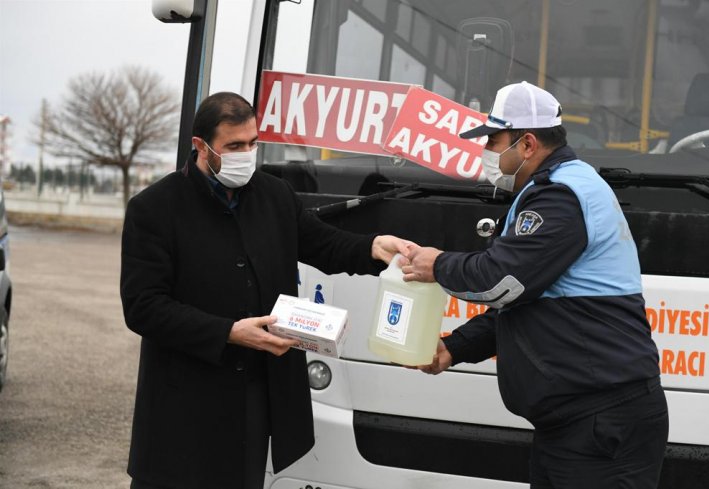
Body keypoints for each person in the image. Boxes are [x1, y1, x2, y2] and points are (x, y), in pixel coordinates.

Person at [120, 92, 410, 489]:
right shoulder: (154, 209)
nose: (247, 154)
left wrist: (374, 248)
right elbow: (143, 307)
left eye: (253, 143)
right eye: (234, 146)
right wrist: (228, 332)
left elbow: (324, 243)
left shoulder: (274, 195)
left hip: (253, 398)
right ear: (200, 147)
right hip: (182, 406)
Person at [402, 81, 668, 489]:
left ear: (527, 144)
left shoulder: (561, 195)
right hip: (575, 422)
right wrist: (453, 348)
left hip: (600, 423)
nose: (486, 151)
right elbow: (524, 304)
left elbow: (501, 281)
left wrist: (437, 265)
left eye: (493, 139)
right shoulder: (548, 189)